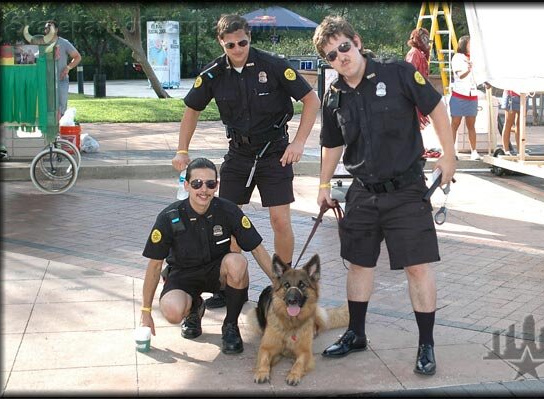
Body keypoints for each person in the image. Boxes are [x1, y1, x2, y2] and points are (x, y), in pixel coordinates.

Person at [312, 16, 456, 376]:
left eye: (344, 47)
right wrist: (324, 185)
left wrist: (450, 156)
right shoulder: (334, 95)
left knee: (417, 267)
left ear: (356, 41)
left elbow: (437, 107)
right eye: (331, 55)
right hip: (362, 192)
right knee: (359, 264)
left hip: (407, 190)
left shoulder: (398, 74)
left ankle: (426, 344)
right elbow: (332, 144)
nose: (340, 57)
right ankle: (356, 334)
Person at [171, 14, 320, 308]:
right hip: (239, 154)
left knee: (280, 220)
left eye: (242, 42)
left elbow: (311, 100)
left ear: (249, 38)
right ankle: (229, 284)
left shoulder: (273, 65)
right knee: (228, 219)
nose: (238, 49)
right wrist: (182, 150)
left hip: (275, 152)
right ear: (221, 43)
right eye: (230, 45)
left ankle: (285, 283)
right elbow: (191, 109)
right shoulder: (213, 73)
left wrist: (299, 141)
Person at [141, 157, 273, 354]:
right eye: (197, 183)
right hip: (182, 276)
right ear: (186, 185)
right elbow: (154, 266)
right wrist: (145, 312)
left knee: (237, 262)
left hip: (216, 273)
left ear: (216, 186)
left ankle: (230, 325)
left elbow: (257, 248)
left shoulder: (229, 211)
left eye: (210, 184)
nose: (204, 189)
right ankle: (195, 308)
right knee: (172, 312)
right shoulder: (169, 217)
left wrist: (280, 283)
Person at [449, 35, 480, 160]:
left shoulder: (474, 58)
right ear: (464, 45)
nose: (471, 47)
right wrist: (469, 69)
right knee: (455, 124)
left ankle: (474, 151)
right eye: (469, 44)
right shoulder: (457, 57)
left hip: (472, 95)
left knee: (471, 125)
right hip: (459, 95)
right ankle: (451, 151)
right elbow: (460, 75)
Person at [44, 20, 82, 118]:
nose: (47, 30)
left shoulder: (64, 43)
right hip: (45, 81)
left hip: (61, 80)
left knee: (61, 108)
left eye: (50, 27)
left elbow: (77, 57)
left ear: (56, 30)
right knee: (46, 107)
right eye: (46, 28)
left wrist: (68, 68)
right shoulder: (41, 43)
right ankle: (48, 131)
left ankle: (60, 128)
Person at [405, 27, 431, 130]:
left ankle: (419, 146)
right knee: (415, 123)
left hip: (418, 93)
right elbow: (409, 74)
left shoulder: (419, 53)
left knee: (417, 124)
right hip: (414, 94)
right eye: (423, 39)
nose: (426, 42)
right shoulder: (414, 53)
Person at [500, 89, 523, 155]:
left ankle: (520, 150)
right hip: (511, 95)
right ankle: (506, 150)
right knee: (508, 123)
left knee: (520, 124)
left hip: (524, 94)